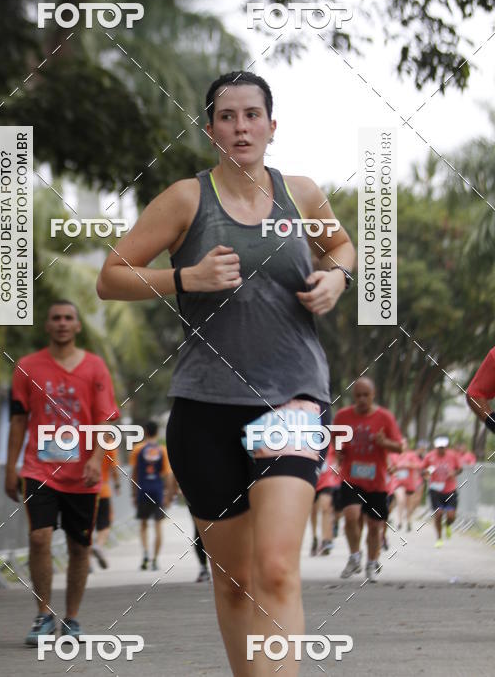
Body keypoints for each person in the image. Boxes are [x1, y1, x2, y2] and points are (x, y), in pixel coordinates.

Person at [97, 71, 355, 676]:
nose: (241, 127)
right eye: (227, 116)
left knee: (276, 569)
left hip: (291, 400)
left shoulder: (303, 194)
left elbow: (342, 246)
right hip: (205, 407)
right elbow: (110, 277)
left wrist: (337, 277)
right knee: (236, 582)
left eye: (252, 115)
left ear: (272, 125)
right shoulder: (188, 199)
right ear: (210, 129)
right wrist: (184, 278)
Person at [5, 300, 119, 645]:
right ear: (47, 325)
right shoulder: (27, 367)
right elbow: (19, 420)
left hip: (81, 473)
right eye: (56, 318)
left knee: (79, 547)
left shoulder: (96, 368)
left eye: (69, 318)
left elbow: (106, 420)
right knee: (39, 537)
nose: (62, 323)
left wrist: (95, 458)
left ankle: (71, 618)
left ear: (78, 326)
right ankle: (42, 615)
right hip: (40, 468)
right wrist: (11, 467)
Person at [334, 378, 403, 582]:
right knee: (351, 515)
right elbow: (337, 440)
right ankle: (355, 556)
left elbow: (399, 447)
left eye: (366, 395)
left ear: (373, 395)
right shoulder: (342, 416)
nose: (362, 399)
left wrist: (384, 442)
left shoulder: (385, 417)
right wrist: (339, 450)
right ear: (353, 397)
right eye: (358, 395)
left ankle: (372, 563)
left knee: (375, 526)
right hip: (351, 476)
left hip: (376, 481)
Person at [130, 420, 173, 571]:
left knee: (143, 525)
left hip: (143, 490)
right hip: (157, 490)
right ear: (157, 432)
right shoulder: (162, 450)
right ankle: (155, 559)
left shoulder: (138, 449)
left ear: (146, 432)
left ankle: (146, 553)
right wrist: (168, 494)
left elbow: (134, 473)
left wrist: (133, 494)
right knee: (158, 525)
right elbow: (167, 475)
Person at [422, 437, 462, 547]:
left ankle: (448, 525)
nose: (441, 450)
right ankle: (439, 538)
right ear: (436, 448)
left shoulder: (452, 456)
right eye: (439, 447)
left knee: (451, 516)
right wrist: (426, 473)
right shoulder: (430, 456)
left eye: (443, 447)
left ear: (446, 447)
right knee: (438, 514)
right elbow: (423, 470)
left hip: (450, 490)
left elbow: (460, 468)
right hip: (435, 490)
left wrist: (454, 473)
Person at [310, 443, 340, 556]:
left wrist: (337, 464)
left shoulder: (330, 439)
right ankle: (314, 538)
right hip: (312, 478)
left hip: (326, 479)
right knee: (313, 511)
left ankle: (325, 540)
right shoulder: (309, 437)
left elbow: (339, 454)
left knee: (326, 507)